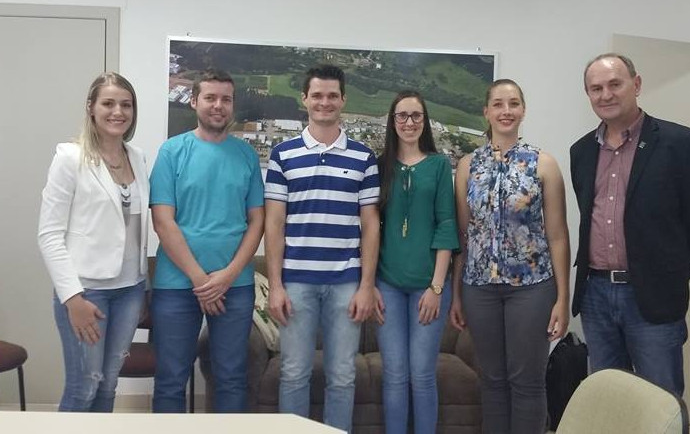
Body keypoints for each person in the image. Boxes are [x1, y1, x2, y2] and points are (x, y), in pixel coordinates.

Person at [571, 53, 690, 396]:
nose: (606, 94)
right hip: (595, 294)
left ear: (636, 85)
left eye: (615, 84)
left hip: (651, 297)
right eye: (596, 88)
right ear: (588, 94)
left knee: (661, 400)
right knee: (609, 398)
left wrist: (667, 273)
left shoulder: (682, 144)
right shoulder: (581, 151)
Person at [450, 79, 571, 433]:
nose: (506, 111)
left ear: (523, 110)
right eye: (498, 104)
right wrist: (456, 294)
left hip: (531, 288)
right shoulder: (468, 166)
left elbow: (558, 235)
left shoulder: (543, 164)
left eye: (513, 104)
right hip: (479, 288)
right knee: (492, 380)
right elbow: (464, 236)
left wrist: (562, 299)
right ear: (486, 112)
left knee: (527, 381)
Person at [264, 64, 380, 432]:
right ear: (305, 99)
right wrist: (275, 285)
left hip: (346, 284)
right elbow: (274, 223)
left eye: (332, 95)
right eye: (317, 95)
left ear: (343, 100)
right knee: (294, 373)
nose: (324, 102)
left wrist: (366, 285)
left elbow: (370, 224)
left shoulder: (364, 157)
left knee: (343, 376)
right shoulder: (282, 154)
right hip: (296, 283)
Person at [149, 68, 265, 412]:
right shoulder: (172, 152)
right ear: (194, 101)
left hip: (235, 285)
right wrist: (201, 280)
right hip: (177, 283)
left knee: (231, 377)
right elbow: (163, 221)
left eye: (226, 99)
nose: (218, 105)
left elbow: (257, 221)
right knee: (171, 379)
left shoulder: (246, 155)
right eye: (210, 98)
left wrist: (227, 276)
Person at [38, 72, 148, 412]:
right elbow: (49, 234)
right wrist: (72, 297)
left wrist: (142, 283)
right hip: (87, 292)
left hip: (130, 289)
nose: (118, 112)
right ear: (91, 108)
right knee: (84, 387)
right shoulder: (70, 158)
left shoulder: (137, 157)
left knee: (108, 385)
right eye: (108, 103)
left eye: (126, 105)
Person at [375, 91, 458, 434]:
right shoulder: (379, 166)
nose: (409, 122)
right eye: (402, 116)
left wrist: (436, 288)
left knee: (422, 375)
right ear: (392, 121)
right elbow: (369, 228)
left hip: (429, 287)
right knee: (395, 375)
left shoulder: (439, 166)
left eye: (416, 116)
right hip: (387, 286)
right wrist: (369, 284)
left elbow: (447, 225)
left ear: (425, 121)